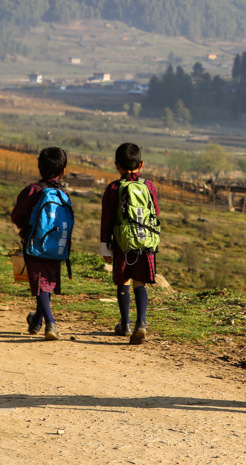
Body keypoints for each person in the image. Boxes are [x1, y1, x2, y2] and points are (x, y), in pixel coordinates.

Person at [100, 142, 160, 345]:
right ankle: (141, 323)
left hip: (122, 242)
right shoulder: (149, 186)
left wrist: (104, 247)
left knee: (123, 280)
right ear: (141, 164)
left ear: (116, 165)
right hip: (146, 241)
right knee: (140, 282)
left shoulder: (114, 188)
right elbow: (156, 213)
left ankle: (125, 324)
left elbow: (106, 220)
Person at [11, 146, 70, 341]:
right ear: (63, 171)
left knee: (41, 285)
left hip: (34, 243)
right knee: (46, 284)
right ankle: (36, 320)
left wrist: (26, 230)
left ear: (39, 167)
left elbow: (17, 215)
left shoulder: (33, 190)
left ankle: (50, 323)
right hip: (56, 245)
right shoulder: (63, 194)